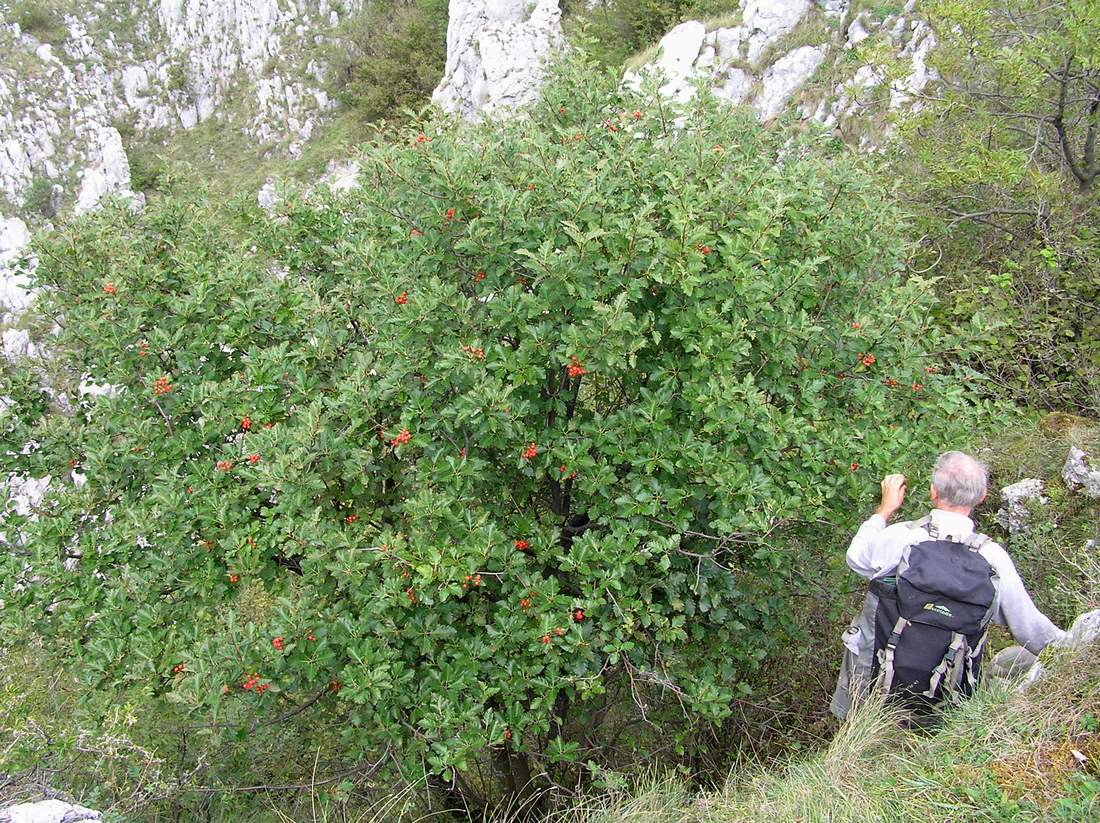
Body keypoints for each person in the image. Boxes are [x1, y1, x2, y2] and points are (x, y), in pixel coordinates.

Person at [830, 451, 1065, 721]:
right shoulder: (993, 559)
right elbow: (1033, 631)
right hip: (947, 697)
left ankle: (852, 735)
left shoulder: (899, 538)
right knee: (1015, 658)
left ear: (933, 492)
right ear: (982, 497)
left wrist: (884, 510)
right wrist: (1079, 647)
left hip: (877, 686)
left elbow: (855, 557)